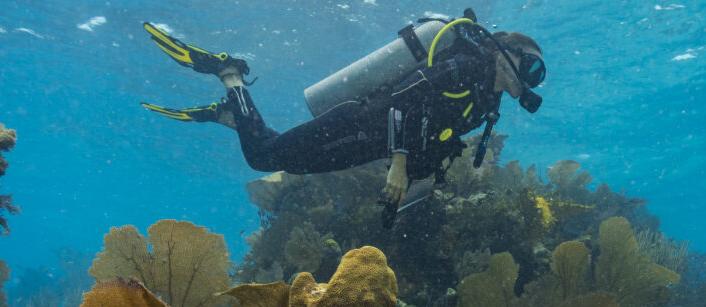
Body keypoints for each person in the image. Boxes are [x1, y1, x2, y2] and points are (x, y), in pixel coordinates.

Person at [141, 16, 544, 220]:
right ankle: (229, 73)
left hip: (367, 143)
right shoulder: (469, 68)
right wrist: (400, 165)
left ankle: (233, 113)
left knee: (286, 158)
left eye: (537, 75)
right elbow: (405, 94)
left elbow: (436, 132)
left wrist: (417, 178)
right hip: (358, 124)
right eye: (531, 67)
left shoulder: (485, 104)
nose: (531, 80)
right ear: (504, 53)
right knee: (263, 157)